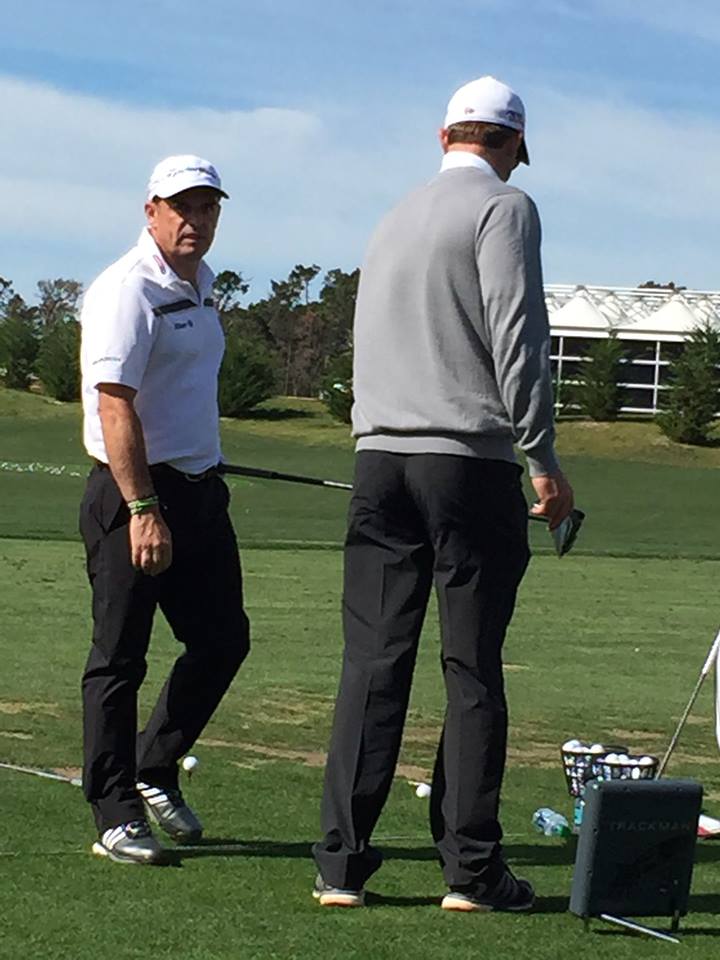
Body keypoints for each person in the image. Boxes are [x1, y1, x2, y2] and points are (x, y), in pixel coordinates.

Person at [312, 77, 573, 910]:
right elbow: (516, 335)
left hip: (378, 460)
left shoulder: (394, 215)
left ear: (445, 135)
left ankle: (340, 866)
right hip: (467, 461)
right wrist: (543, 457)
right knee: (470, 666)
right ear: (512, 144)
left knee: (373, 663)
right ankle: (470, 869)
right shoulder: (506, 207)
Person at [79, 155, 250, 865]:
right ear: (150, 210)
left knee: (222, 640)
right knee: (120, 658)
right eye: (182, 206)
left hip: (200, 491)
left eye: (208, 207)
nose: (196, 220)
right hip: (135, 495)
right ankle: (114, 813)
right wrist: (143, 506)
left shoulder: (203, 287)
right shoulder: (127, 288)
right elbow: (112, 402)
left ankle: (154, 768)